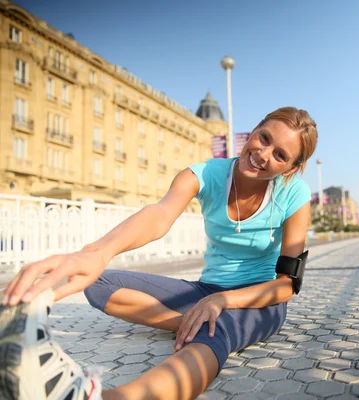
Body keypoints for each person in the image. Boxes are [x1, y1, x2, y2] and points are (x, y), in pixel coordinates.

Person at [0, 106, 318, 400]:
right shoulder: (205, 174)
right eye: (264, 138)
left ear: (291, 168)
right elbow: (159, 215)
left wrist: (223, 302)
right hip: (206, 289)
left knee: (217, 330)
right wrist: (98, 253)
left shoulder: (293, 193)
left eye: (280, 155)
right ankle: (197, 320)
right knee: (98, 283)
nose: (262, 154)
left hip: (259, 299)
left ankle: (93, 397)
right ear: (254, 130)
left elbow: (286, 285)